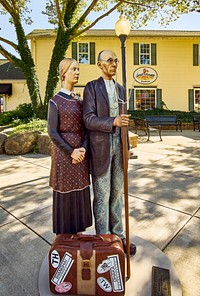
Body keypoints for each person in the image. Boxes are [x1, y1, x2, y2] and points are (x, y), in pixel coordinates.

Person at [83, 50, 136, 255]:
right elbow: (88, 119)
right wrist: (112, 121)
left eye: (116, 60)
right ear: (99, 64)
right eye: (109, 61)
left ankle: (118, 236)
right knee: (103, 195)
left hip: (120, 145)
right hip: (101, 147)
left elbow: (124, 123)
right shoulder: (92, 88)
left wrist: (127, 148)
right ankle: (103, 239)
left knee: (117, 195)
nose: (114, 64)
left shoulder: (121, 89)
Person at [47, 58, 92, 235]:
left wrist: (83, 149)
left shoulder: (81, 101)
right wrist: (71, 151)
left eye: (78, 69)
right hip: (64, 156)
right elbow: (52, 132)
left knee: (80, 192)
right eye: (73, 69)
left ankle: (79, 235)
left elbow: (86, 129)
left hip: (81, 154)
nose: (77, 72)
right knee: (65, 193)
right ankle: (65, 237)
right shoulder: (55, 101)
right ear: (64, 73)